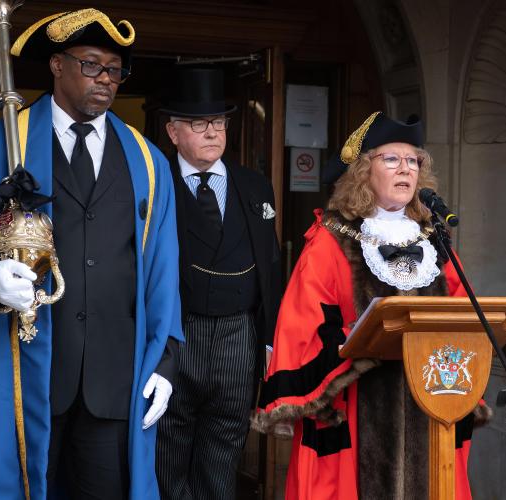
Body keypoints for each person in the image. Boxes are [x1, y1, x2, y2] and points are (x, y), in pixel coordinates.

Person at [0, 8, 182, 499]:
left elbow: (162, 272)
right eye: (92, 64)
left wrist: (166, 363)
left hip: (114, 380)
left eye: (115, 70)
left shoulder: (149, 161)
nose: (106, 80)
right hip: (28, 370)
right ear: (57, 65)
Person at [252, 112, 487, 499]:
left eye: (413, 161)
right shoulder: (331, 243)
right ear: (364, 170)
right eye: (391, 159)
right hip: (358, 407)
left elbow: (466, 314)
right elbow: (304, 327)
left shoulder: (435, 244)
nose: (405, 169)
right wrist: (356, 345)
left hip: (428, 405)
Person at [155, 67, 282, 499]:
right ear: (173, 132)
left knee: (223, 455)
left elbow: (271, 265)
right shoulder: (156, 184)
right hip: (177, 334)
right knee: (167, 450)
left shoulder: (254, 186)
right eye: (198, 123)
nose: (212, 132)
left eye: (219, 123)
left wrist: (267, 339)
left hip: (237, 337)